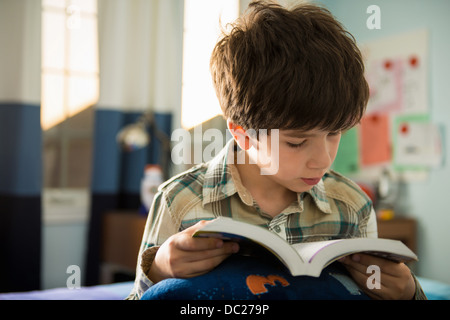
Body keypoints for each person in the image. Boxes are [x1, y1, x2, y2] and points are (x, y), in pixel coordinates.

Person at [127, 0, 426, 300]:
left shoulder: (352, 206)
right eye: (297, 142)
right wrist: (161, 270)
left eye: (335, 133)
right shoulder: (179, 201)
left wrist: (408, 293)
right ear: (243, 134)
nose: (323, 160)